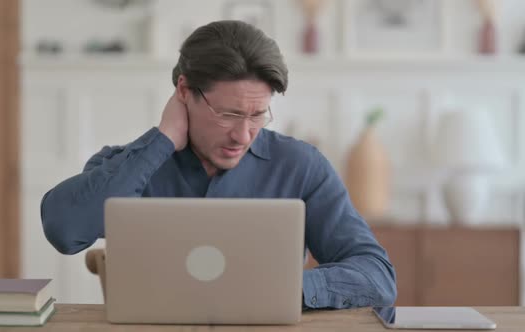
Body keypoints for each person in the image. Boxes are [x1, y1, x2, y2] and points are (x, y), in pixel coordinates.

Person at [41, 20, 396, 310]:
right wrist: (163, 139)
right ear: (184, 91)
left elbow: (377, 277)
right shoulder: (130, 167)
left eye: (258, 115)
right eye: (228, 114)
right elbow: (64, 229)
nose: (243, 135)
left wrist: (282, 289)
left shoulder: (300, 166)